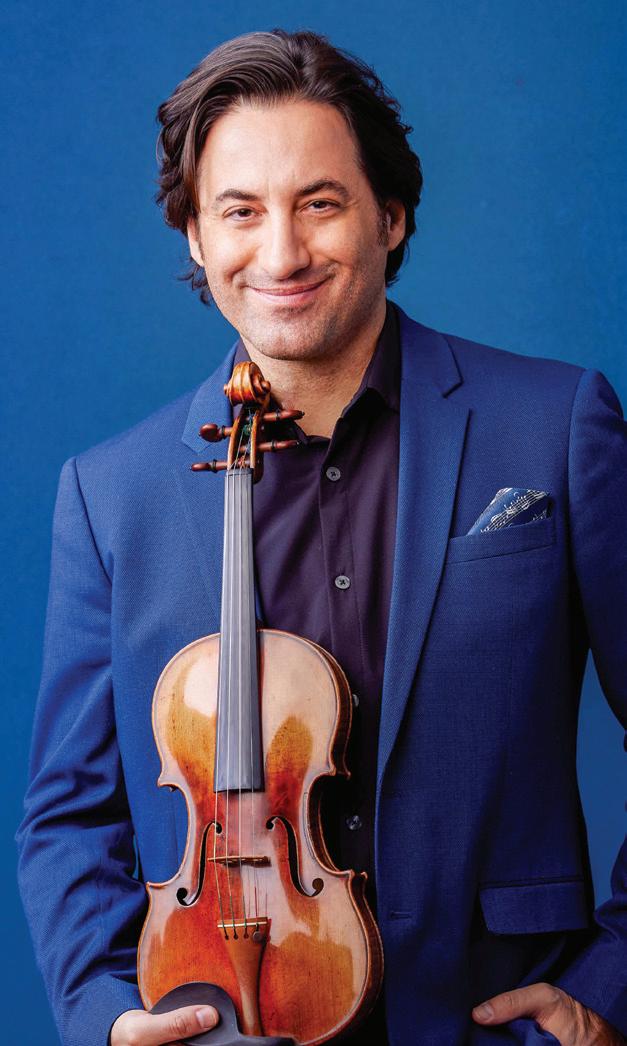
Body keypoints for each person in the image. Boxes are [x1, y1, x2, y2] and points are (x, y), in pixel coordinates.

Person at [16, 28, 626, 1046]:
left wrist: (608, 989)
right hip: (228, 1017)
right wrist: (105, 1015)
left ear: (390, 215)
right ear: (195, 238)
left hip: (495, 1022)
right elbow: (68, 813)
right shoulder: (110, 494)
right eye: (240, 211)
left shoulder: (553, 426)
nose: (282, 254)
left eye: (320, 203)